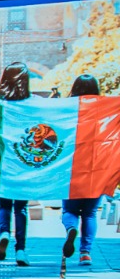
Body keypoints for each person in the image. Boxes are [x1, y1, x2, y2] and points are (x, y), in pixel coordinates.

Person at [0, 63, 32, 267]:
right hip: (24, 162)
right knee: (21, 208)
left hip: (4, 162)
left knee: (4, 204)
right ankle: (21, 251)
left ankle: (4, 233)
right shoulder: (32, 104)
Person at [61, 73, 104, 266]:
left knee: (69, 210)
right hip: (98, 167)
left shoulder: (66, 109)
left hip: (71, 168)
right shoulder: (105, 109)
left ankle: (71, 228)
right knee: (90, 213)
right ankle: (85, 253)